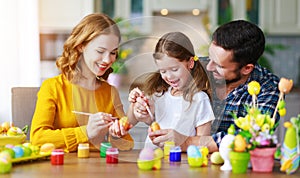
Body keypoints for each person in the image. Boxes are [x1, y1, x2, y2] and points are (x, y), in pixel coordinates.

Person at [30, 13, 133, 152]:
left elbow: (127, 144)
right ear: (81, 46)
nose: (108, 60)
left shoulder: (110, 92)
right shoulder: (52, 87)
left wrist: (116, 135)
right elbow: (37, 138)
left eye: (113, 53)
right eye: (100, 51)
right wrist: (86, 132)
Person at [111, 32, 218, 152]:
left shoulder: (199, 99)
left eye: (174, 69)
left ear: (190, 63)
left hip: (180, 165)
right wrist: (136, 105)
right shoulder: (158, 94)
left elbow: (204, 143)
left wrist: (183, 142)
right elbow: (131, 121)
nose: (169, 76)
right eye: (163, 71)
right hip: (151, 160)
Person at [205, 20, 280, 147]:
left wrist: (190, 141)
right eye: (209, 57)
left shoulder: (268, 87)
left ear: (247, 69)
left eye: (219, 65)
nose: (208, 67)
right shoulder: (198, 70)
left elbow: (254, 137)